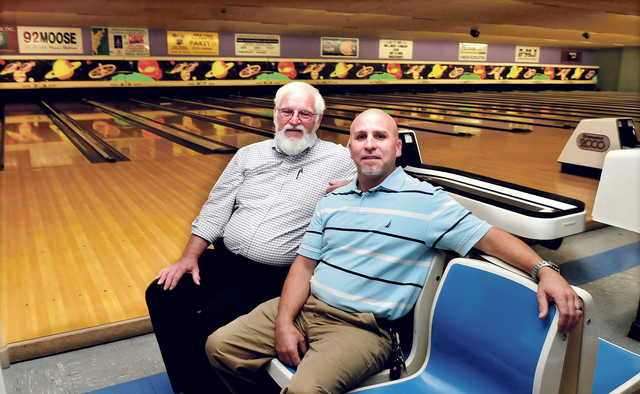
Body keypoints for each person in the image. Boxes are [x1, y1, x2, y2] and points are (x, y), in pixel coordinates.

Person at [206, 109, 583, 394]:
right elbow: (303, 267)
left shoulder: (428, 203)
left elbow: (488, 237)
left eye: (380, 136)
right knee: (220, 347)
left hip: (363, 329)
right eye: (361, 137)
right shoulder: (332, 200)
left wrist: (544, 268)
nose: (370, 143)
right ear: (349, 147)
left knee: (305, 391)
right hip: (306, 308)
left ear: (397, 147)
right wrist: (285, 322)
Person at [145, 81, 356, 394]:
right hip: (226, 260)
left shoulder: (341, 160)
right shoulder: (248, 156)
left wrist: (360, 191)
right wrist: (189, 257)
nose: (295, 120)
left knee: (214, 314)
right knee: (163, 293)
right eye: (287, 112)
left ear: (318, 121)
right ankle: (190, 384)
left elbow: (384, 174)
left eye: (305, 114)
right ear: (275, 116)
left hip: (276, 275)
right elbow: (216, 207)